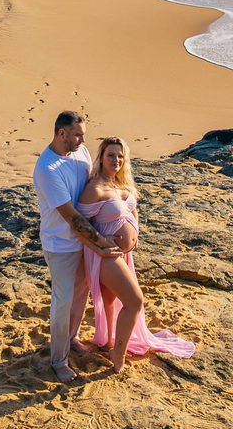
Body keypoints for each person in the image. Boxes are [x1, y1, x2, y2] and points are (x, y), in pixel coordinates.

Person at [77, 136, 195, 372]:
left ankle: (107, 341)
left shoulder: (120, 184)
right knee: (135, 300)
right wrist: (98, 245)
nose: (116, 160)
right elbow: (79, 225)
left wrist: (135, 234)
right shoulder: (94, 189)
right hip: (106, 255)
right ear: (100, 158)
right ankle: (117, 353)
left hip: (123, 254)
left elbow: (133, 209)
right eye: (111, 155)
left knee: (111, 300)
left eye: (121, 156)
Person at [32, 111, 122, 383]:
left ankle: (71, 338)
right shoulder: (47, 169)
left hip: (85, 241)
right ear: (62, 134)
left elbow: (97, 183)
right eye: (78, 134)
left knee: (82, 293)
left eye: (83, 134)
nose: (83, 140)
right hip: (61, 245)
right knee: (63, 302)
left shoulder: (80, 152)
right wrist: (101, 242)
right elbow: (70, 215)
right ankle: (58, 361)